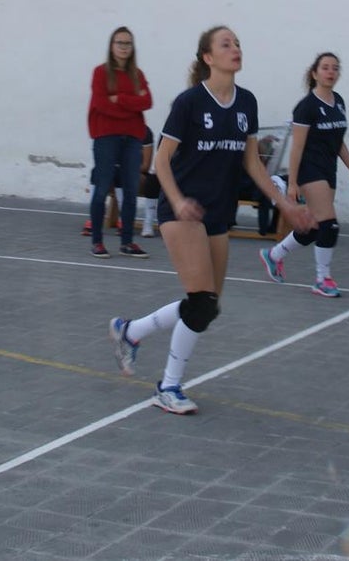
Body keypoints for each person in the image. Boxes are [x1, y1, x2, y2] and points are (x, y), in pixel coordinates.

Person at [107, 25, 312, 414]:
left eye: (237, 43)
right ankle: (168, 387)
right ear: (208, 58)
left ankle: (130, 332)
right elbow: (163, 161)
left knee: (208, 307)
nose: (235, 48)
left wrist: (284, 203)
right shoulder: (189, 103)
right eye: (226, 44)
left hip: (217, 211)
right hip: (182, 210)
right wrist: (179, 199)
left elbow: (252, 163)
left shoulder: (246, 103)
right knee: (201, 301)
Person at [258, 52, 349, 297]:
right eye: (325, 67)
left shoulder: (338, 101)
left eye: (335, 68)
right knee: (330, 224)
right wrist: (293, 183)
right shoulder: (306, 107)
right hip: (310, 170)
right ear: (315, 73)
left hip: (329, 170)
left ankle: (273, 255)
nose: (330, 72)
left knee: (315, 227)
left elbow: (338, 142)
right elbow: (297, 147)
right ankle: (321, 279)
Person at [88, 27, 153, 259]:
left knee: (130, 191)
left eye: (128, 43)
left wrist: (121, 100)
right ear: (111, 45)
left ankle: (127, 242)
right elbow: (101, 104)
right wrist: (131, 106)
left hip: (132, 140)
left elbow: (147, 101)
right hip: (106, 138)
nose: (124, 47)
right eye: (119, 42)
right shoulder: (100, 73)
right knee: (102, 188)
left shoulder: (138, 74)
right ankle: (97, 241)